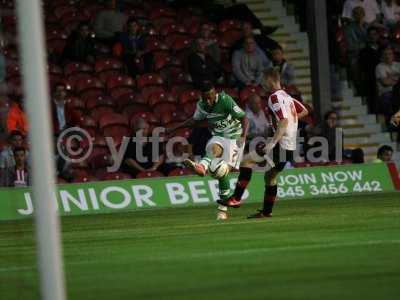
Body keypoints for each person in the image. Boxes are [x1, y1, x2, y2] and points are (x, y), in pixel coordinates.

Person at [218, 68, 308, 218]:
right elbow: (304, 110)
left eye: (263, 82)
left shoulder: (274, 97)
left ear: (270, 80)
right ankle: (267, 212)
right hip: (291, 146)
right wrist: (285, 123)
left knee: (246, 162)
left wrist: (273, 142)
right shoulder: (287, 97)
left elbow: (284, 121)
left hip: (281, 144)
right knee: (270, 177)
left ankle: (235, 199)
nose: (262, 85)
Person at [167, 81, 249, 220]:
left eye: (211, 97)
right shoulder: (201, 105)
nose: (208, 100)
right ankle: (202, 166)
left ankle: (223, 209)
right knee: (213, 149)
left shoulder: (225, 100)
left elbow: (244, 118)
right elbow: (193, 121)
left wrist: (243, 136)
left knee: (223, 172)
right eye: (206, 98)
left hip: (235, 137)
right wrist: (173, 128)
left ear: (215, 93)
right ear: (202, 96)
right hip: (219, 135)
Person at [344, 6, 368, 94]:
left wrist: (362, 28)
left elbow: (371, 39)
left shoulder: (367, 26)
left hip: (367, 53)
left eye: (361, 13)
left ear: (364, 14)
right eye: (357, 14)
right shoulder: (349, 28)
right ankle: (359, 89)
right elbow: (351, 46)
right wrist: (365, 45)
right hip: (355, 54)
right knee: (355, 65)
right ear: (353, 16)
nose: (359, 16)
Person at [359, 26, 381, 113]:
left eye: (374, 34)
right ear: (368, 36)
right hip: (371, 79)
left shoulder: (383, 48)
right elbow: (363, 67)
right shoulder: (364, 51)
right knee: (373, 99)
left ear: (378, 35)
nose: (372, 36)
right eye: (370, 35)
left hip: (385, 78)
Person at [375, 47, 400, 123]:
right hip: (387, 92)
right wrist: (397, 78)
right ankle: (393, 124)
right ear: (382, 56)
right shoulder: (379, 67)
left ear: (393, 55)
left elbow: (389, 80)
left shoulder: (398, 65)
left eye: (390, 54)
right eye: (385, 54)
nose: (387, 56)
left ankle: (395, 123)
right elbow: (385, 82)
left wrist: (390, 77)